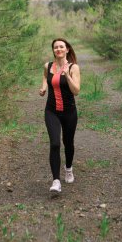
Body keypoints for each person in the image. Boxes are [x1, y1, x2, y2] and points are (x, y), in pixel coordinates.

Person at [39, 38, 81, 195]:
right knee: (55, 143)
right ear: (53, 50)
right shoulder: (48, 66)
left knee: (68, 143)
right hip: (52, 111)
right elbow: (45, 78)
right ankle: (56, 180)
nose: (58, 49)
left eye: (61, 47)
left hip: (69, 112)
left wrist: (67, 76)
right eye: (56, 47)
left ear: (67, 49)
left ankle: (68, 168)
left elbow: (76, 91)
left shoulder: (73, 67)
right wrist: (43, 88)